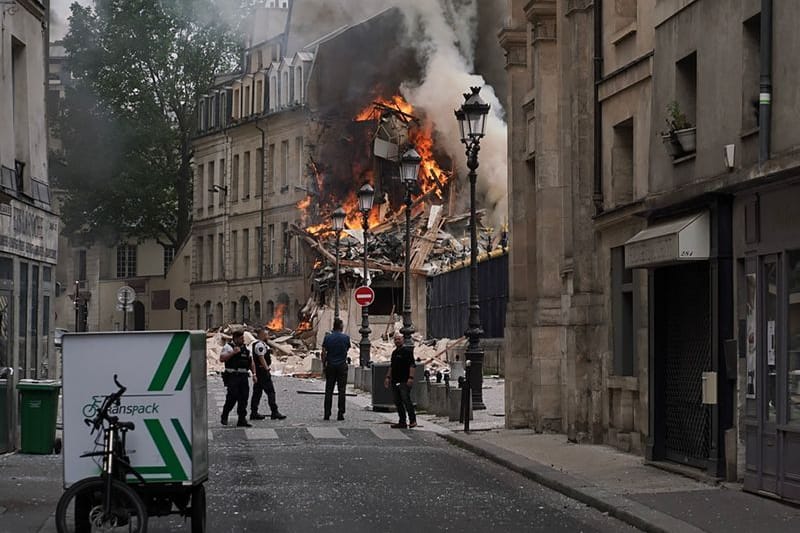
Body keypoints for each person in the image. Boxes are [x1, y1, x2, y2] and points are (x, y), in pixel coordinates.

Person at [219, 330, 255, 427]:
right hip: (232, 376)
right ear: (235, 338)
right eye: (241, 338)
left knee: (244, 398)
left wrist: (254, 374)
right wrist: (233, 353)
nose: (243, 340)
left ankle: (242, 419)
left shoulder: (246, 349)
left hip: (243, 376)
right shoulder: (228, 347)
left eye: (243, 338)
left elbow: (251, 362)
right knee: (232, 397)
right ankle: (225, 415)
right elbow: (222, 358)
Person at [250, 327, 286, 421]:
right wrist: (267, 368)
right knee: (270, 392)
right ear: (261, 335)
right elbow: (261, 358)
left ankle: (254, 412)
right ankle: (274, 412)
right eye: (266, 334)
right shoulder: (260, 345)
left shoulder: (260, 344)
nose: (267, 336)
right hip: (262, 372)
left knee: (257, 393)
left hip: (259, 372)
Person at [384, 332, 417, 428]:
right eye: (395, 339)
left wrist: (411, 378)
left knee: (406, 400)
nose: (397, 341)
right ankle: (402, 421)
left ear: (402, 340)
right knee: (397, 401)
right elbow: (392, 366)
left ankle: (412, 420)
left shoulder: (407, 352)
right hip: (395, 380)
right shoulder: (394, 353)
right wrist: (387, 377)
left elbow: (412, 365)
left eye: (399, 339)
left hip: (404, 380)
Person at [321, 318, 350, 421]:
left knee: (329, 390)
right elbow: (346, 349)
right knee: (342, 390)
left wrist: (324, 365)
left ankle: (327, 413)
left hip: (331, 365)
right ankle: (341, 413)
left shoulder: (327, 338)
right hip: (342, 365)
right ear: (341, 326)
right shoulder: (346, 338)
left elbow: (323, 352)